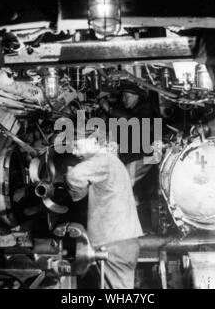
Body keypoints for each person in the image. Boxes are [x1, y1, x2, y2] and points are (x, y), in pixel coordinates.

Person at [65, 130, 143, 289]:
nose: (74, 150)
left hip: (114, 244)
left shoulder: (104, 161)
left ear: (94, 141)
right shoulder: (113, 163)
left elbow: (75, 176)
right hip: (122, 242)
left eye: (77, 144)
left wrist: (77, 193)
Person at [98, 82, 159, 187]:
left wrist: (109, 109)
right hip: (132, 156)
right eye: (122, 96)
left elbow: (133, 121)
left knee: (121, 184)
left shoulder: (147, 109)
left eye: (126, 97)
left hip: (142, 157)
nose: (123, 99)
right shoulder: (129, 109)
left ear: (136, 96)